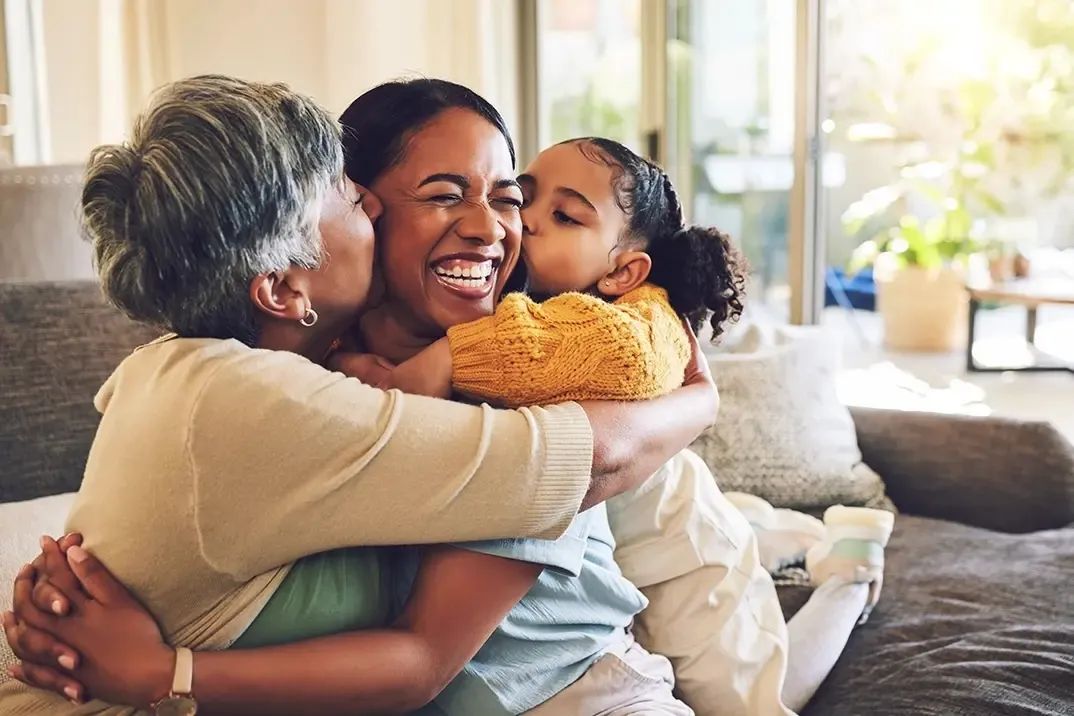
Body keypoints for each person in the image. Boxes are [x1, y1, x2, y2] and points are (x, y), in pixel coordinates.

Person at [0, 76, 718, 715]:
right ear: (282, 283)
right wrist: (699, 400)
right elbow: (593, 456)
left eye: (507, 200)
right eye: (348, 196)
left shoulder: (515, 372)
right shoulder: (268, 397)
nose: (493, 227)